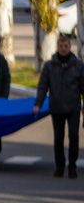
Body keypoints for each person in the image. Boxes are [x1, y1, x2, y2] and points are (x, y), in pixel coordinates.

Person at [34, 35, 84, 178]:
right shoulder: (49, 66)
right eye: (61, 46)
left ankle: (72, 166)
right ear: (57, 47)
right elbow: (43, 86)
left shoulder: (78, 66)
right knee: (58, 138)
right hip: (57, 107)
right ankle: (60, 166)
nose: (63, 49)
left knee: (74, 136)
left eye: (66, 46)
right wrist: (38, 103)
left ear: (70, 47)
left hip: (73, 107)